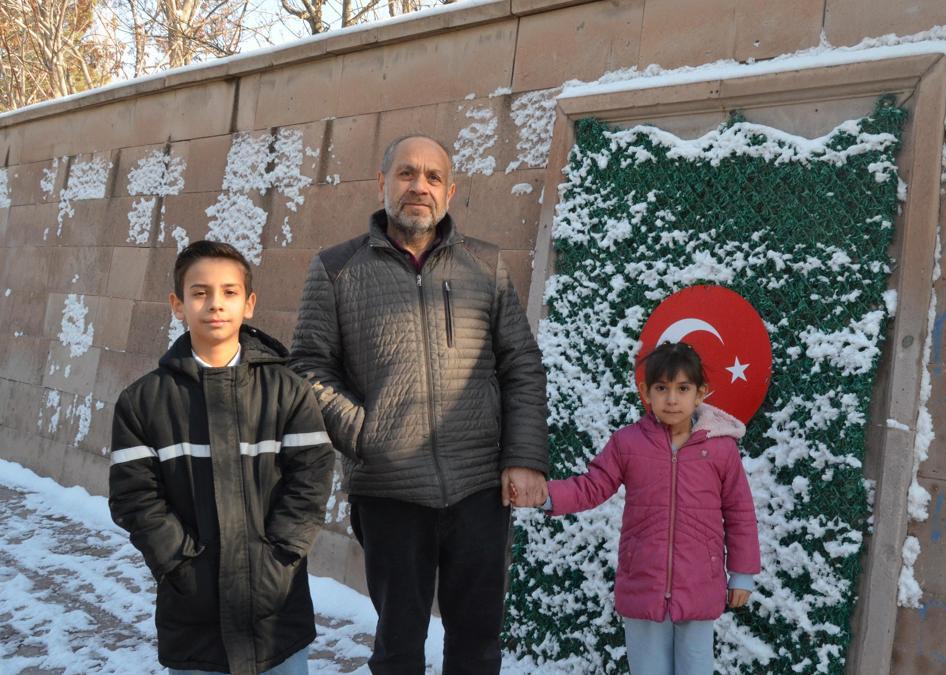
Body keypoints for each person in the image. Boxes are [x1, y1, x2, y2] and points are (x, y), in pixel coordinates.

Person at [289, 134, 549, 674]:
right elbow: (309, 367)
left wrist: (522, 457)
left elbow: (520, 364)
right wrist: (367, 436)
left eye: (433, 177)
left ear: (450, 191)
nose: (419, 187)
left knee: (477, 645)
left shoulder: (485, 265)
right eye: (407, 174)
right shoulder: (336, 268)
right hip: (389, 490)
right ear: (381, 183)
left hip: (478, 488)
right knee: (398, 646)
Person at [108, 240, 335, 675]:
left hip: (277, 617)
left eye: (229, 292)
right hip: (194, 620)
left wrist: (281, 557)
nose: (215, 304)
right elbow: (135, 498)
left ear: (249, 304)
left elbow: (312, 478)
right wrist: (180, 566)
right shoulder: (143, 402)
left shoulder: (288, 390)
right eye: (200, 292)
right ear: (177, 304)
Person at [541, 341, 761, 675]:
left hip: (700, 584)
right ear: (646, 392)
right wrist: (545, 495)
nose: (672, 399)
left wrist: (742, 574)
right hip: (643, 583)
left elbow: (739, 512)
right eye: (662, 388)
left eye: (683, 388)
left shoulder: (721, 449)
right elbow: (592, 485)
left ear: (701, 393)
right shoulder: (627, 443)